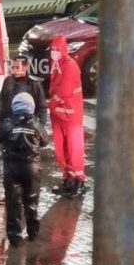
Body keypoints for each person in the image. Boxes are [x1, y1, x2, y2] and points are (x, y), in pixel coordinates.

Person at [0, 92, 48, 247]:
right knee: (32, 201)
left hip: (12, 168)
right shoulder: (36, 125)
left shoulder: (8, 124)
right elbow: (45, 141)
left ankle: (15, 237)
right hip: (32, 168)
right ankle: (33, 234)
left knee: (13, 202)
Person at [48, 35, 86, 197]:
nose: (53, 53)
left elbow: (64, 92)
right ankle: (68, 179)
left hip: (70, 115)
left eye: (56, 50)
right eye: (52, 50)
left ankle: (78, 181)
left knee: (73, 148)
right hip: (58, 114)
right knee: (61, 148)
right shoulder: (57, 64)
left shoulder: (70, 66)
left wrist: (52, 102)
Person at [0, 55, 48, 127]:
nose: (14, 70)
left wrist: (41, 126)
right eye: (13, 67)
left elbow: (42, 106)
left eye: (17, 67)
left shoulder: (34, 83)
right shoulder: (8, 81)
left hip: (29, 125)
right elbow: (1, 102)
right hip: (10, 124)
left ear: (25, 67)